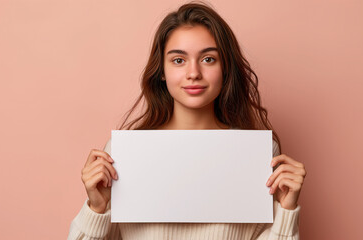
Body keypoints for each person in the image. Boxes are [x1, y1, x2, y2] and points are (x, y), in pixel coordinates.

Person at [68, 1, 306, 239]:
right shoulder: (122, 153)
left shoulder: (258, 153)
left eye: (208, 59)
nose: (193, 73)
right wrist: (96, 208)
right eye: (179, 60)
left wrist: (286, 211)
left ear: (225, 68)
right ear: (162, 70)